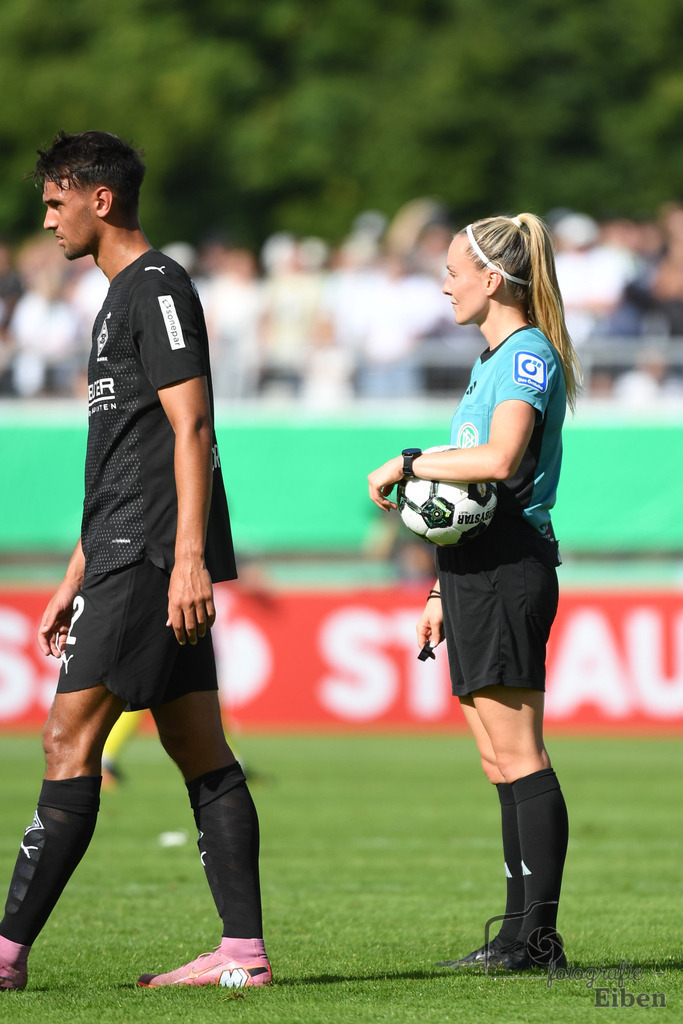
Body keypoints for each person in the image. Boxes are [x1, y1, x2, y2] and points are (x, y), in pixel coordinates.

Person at [0, 131, 271, 992]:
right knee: (200, 749)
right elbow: (128, 454)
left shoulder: (156, 288)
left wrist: (187, 558)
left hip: (151, 557)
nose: (47, 219)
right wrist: (72, 578)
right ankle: (241, 953)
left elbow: (193, 427)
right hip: (123, 553)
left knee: (66, 741)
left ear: (98, 198)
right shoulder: (115, 298)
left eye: (54, 201)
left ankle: (5, 954)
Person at [368, 213, 580, 971]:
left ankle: (536, 939)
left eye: (455, 270)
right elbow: (467, 500)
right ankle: (516, 933)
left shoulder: (524, 355)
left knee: (520, 755)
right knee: (498, 761)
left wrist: (406, 461)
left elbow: (498, 459)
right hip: (471, 570)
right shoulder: (488, 359)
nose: (445, 282)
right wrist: (436, 590)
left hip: (508, 566)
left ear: (492, 280)